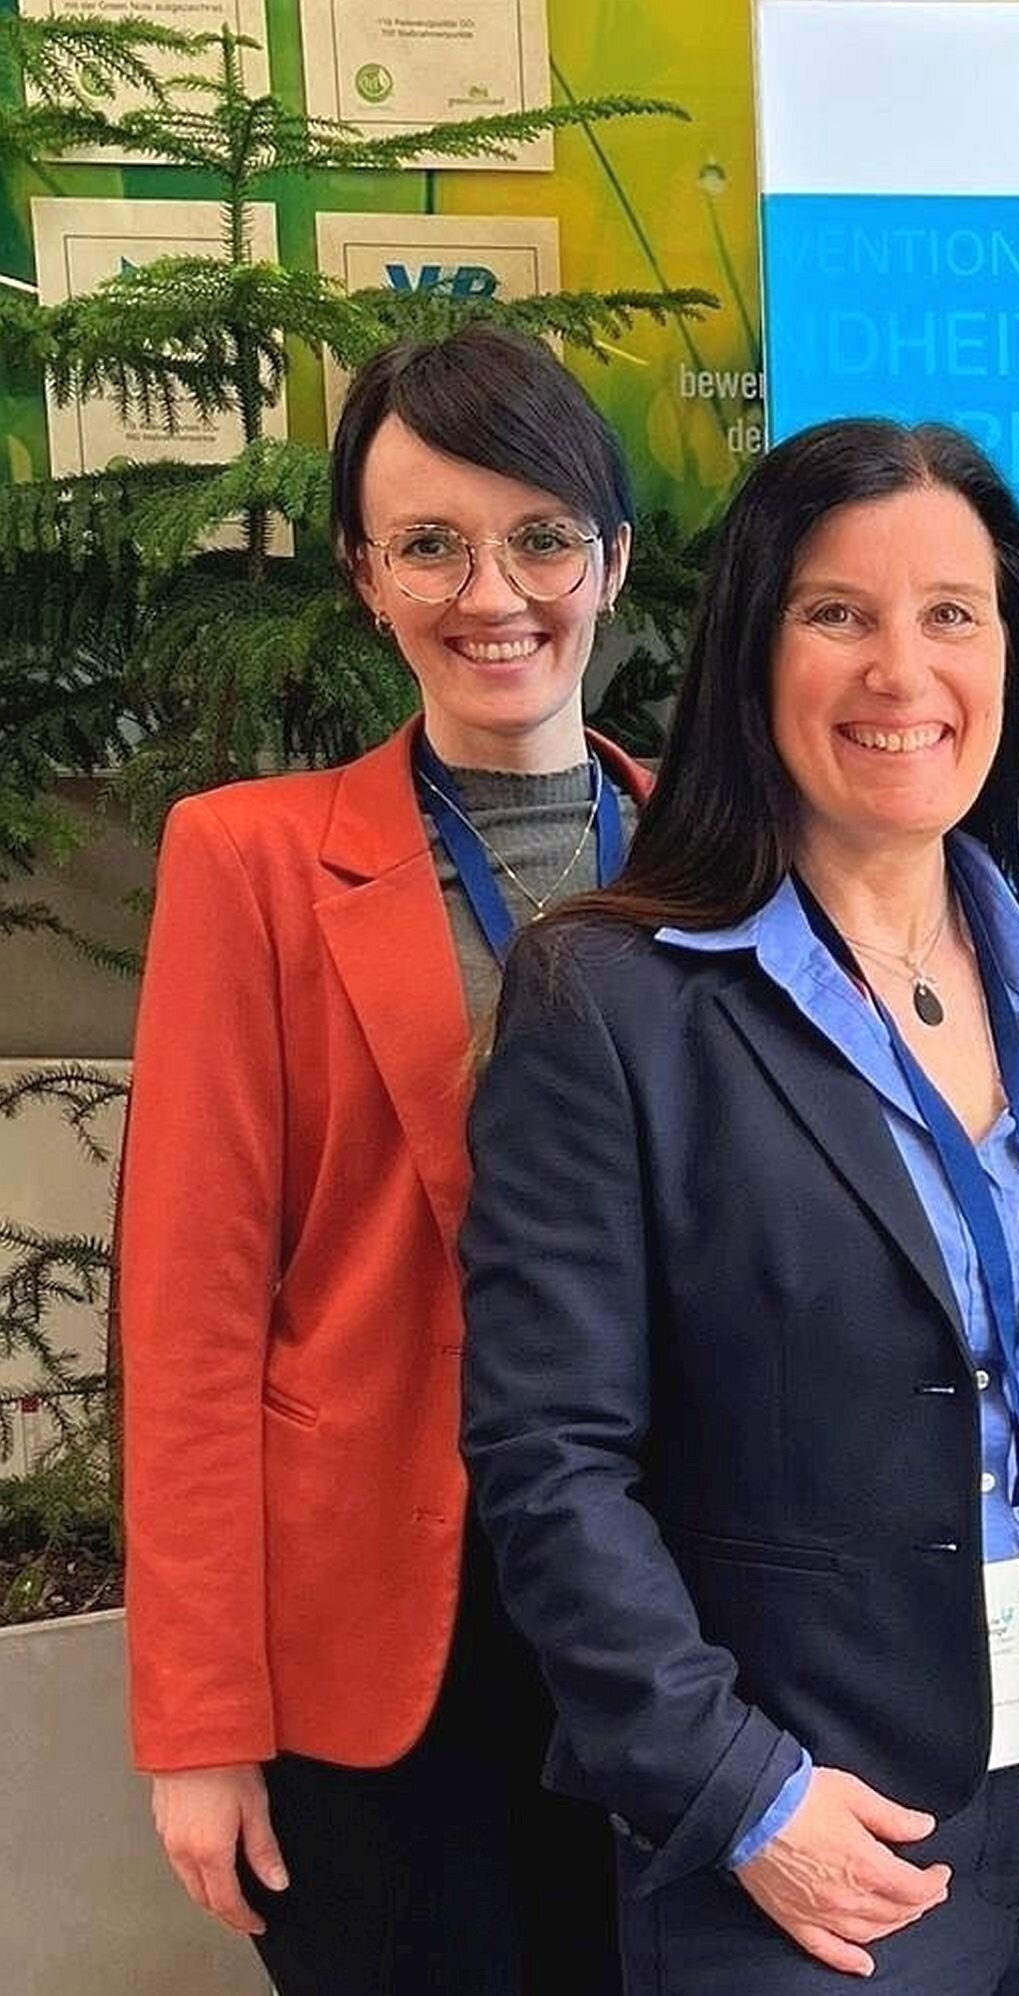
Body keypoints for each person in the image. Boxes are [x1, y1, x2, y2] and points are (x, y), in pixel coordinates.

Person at [455, 417, 1019, 1996]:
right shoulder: (609, 1001)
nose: (900, 671)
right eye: (836, 613)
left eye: (952, 614)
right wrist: (738, 1795)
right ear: (750, 652)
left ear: (1011, 653)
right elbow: (549, 1459)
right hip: (800, 1846)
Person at [119, 322, 648, 1993]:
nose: (493, 593)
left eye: (540, 535)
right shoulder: (252, 863)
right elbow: (192, 1315)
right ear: (365, 576)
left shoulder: (720, 860)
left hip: (674, 1626)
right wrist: (198, 1725)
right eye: (431, 544)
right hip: (383, 1635)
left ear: (610, 558)